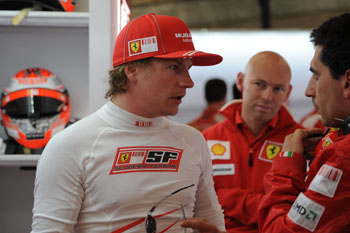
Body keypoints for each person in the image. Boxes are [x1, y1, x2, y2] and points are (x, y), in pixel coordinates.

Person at [31, 13, 226, 233]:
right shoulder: (69, 145)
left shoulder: (192, 140)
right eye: (175, 68)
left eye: (188, 69)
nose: (189, 82)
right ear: (132, 70)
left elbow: (214, 222)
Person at [258, 13, 350, 232]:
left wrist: (287, 162)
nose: (309, 90)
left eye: (316, 76)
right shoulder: (337, 141)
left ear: (348, 81)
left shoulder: (344, 155)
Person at [201, 51, 303, 232]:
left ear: (288, 92)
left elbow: (299, 211)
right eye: (259, 84)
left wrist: (226, 198)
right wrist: (267, 206)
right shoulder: (206, 139)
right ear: (240, 81)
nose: (268, 96)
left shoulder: (302, 142)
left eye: (278, 88)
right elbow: (195, 203)